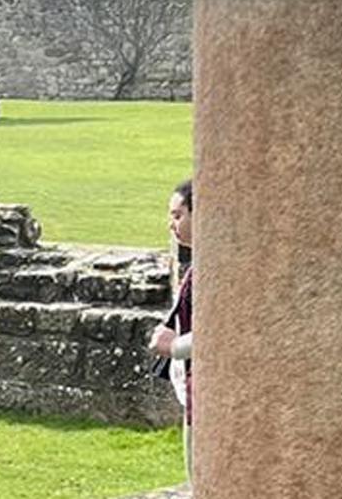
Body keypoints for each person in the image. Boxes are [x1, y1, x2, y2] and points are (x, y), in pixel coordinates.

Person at [149, 179, 195, 474]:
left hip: (206, 392)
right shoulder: (200, 266)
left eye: (178, 215)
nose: (172, 224)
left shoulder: (214, 269)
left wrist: (173, 346)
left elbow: (223, 332)